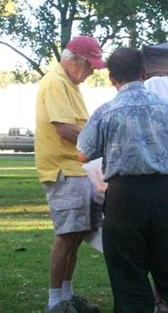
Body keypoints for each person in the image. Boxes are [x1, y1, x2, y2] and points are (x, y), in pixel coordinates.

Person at [77, 47, 168, 313]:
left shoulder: (105, 112)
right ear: (144, 74)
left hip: (124, 197)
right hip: (164, 193)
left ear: (112, 79)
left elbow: (83, 153)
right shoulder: (166, 107)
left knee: (129, 281)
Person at [35, 36, 105, 313]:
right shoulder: (56, 83)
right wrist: (102, 139)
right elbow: (64, 128)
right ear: (74, 59)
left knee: (76, 235)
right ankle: (55, 303)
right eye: (90, 67)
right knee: (66, 237)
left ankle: (67, 296)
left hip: (77, 170)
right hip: (64, 170)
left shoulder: (70, 84)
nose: (91, 73)